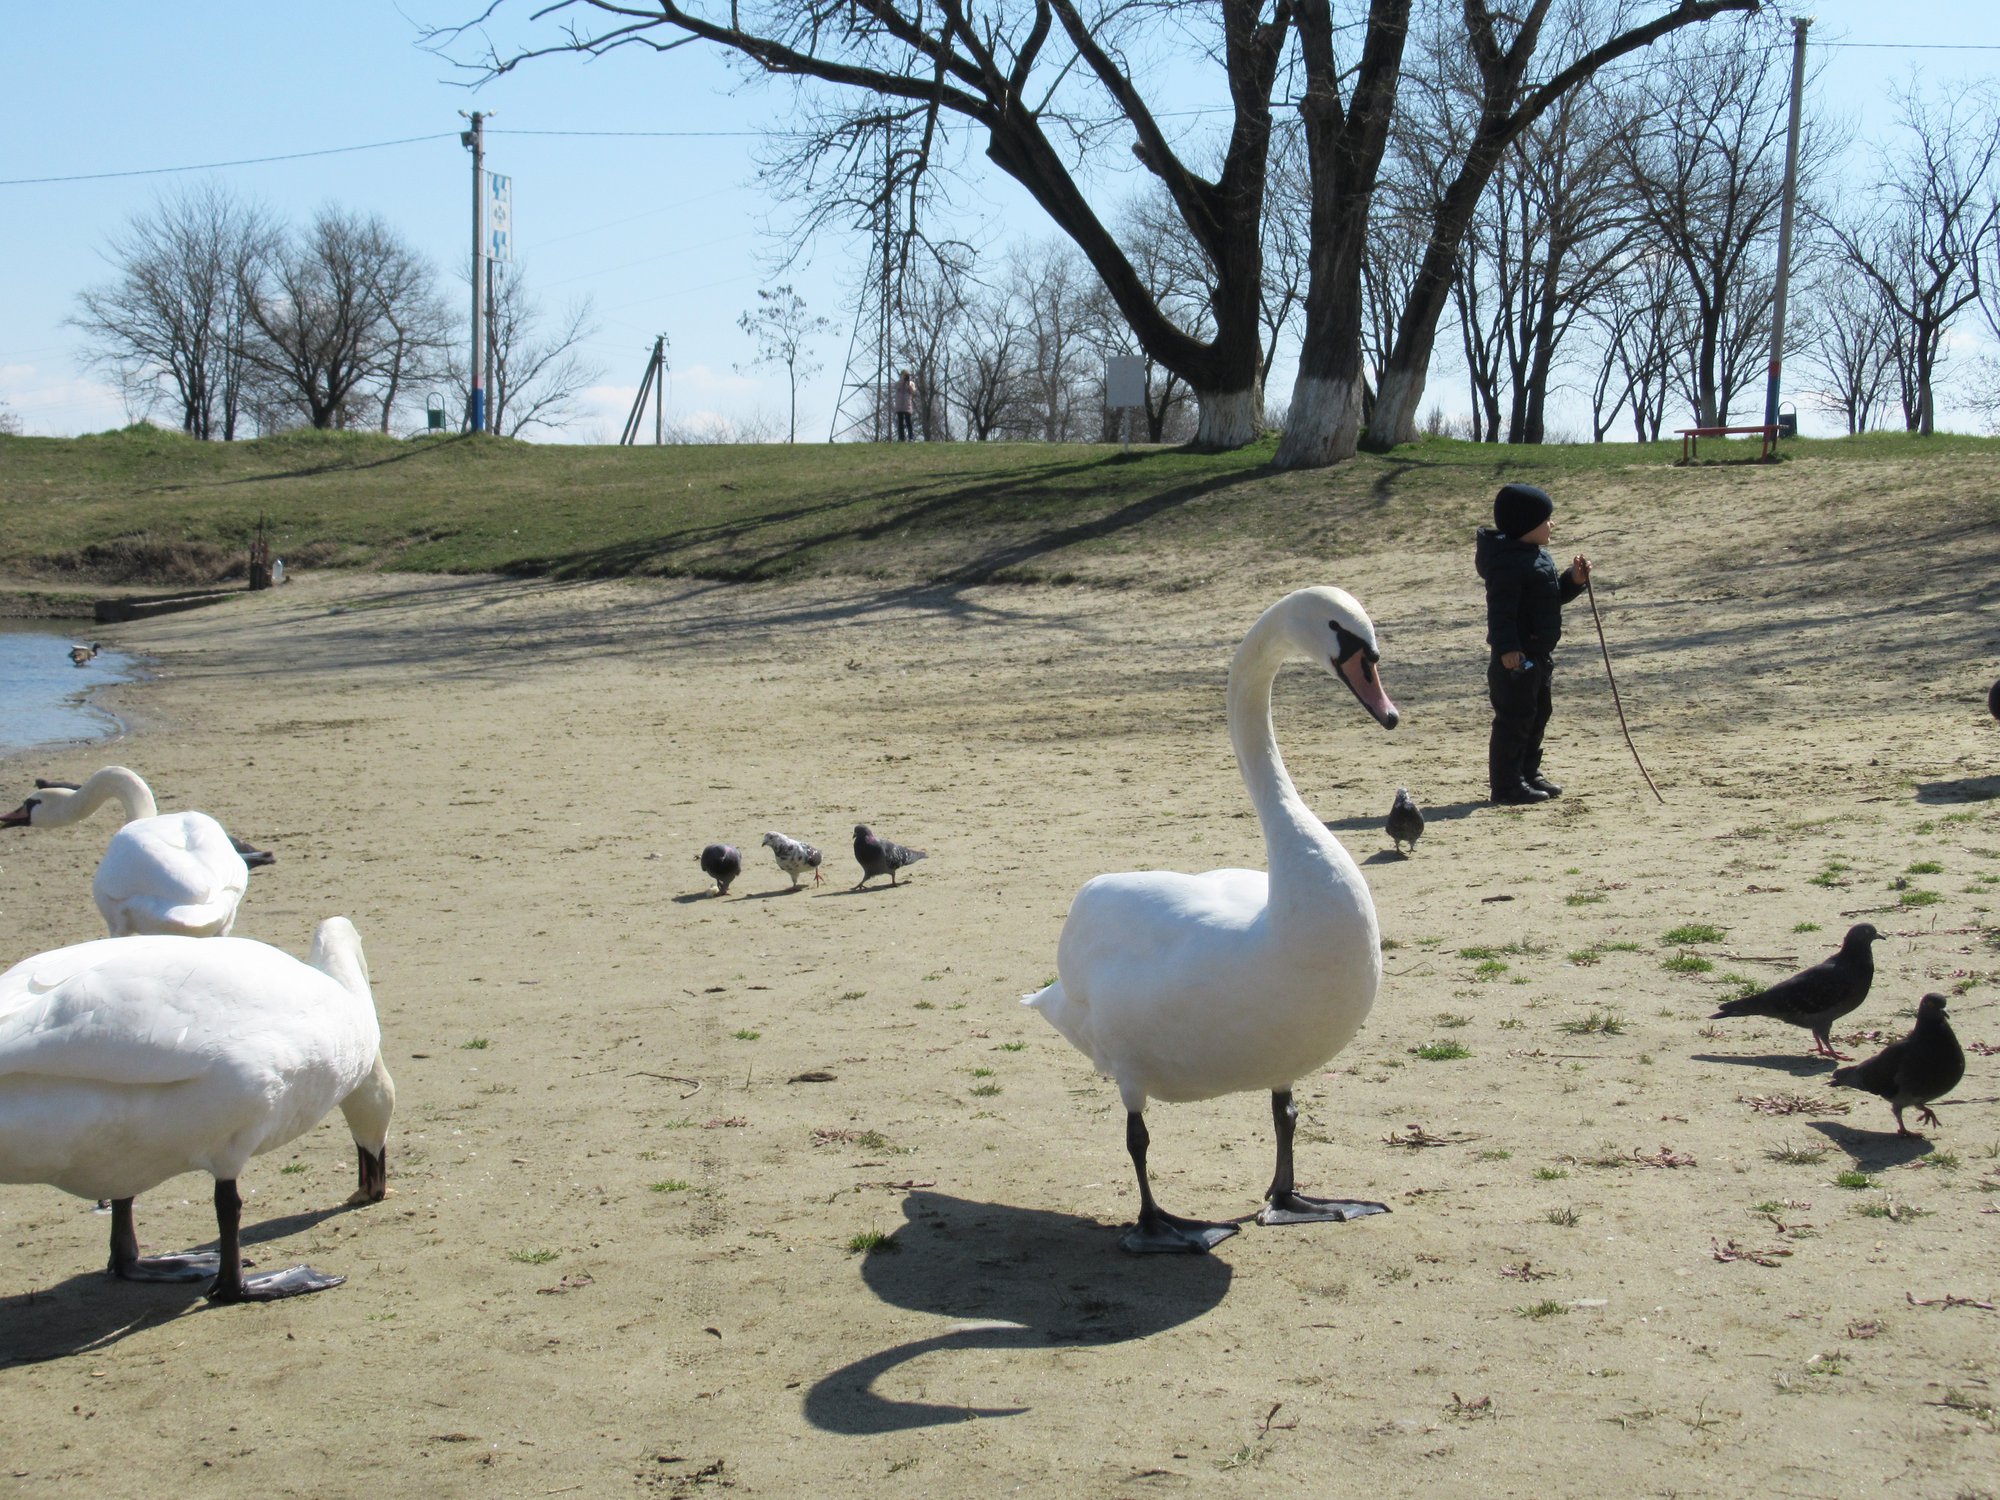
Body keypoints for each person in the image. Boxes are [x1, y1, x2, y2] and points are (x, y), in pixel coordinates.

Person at [1474, 482, 1590, 805]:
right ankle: (1506, 784)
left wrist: (1574, 581)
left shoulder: (1539, 557)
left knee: (1538, 714)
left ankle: (1528, 771)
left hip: (1539, 656)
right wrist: (1508, 648)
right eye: (1546, 519)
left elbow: (1550, 599)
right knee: (1514, 718)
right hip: (1514, 661)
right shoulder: (1507, 564)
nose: (1551, 524)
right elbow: (1501, 612)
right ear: (1526, 525)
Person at [892, 370, 917, 441]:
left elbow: (913, 391)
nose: (905, 377)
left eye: (906, 375)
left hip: (907, 405)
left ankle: (911, 437)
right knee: (900, 423)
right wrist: (902, 381)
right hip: (899, 405)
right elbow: (896, 388)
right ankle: (901, 438)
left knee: (908, 422)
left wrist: (908, 384)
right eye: (904, 375)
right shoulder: (898, 383)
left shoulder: (911, 383)